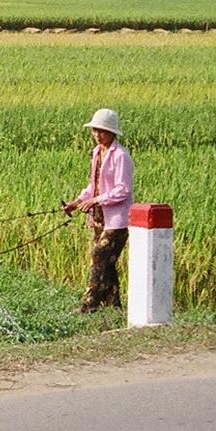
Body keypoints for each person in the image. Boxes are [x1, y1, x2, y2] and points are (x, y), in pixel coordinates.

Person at [62, 108, 135, 314]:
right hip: (100, 218)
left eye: (102, 131)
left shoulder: (121, 156)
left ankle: (89, 304)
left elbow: (122, 190)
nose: (97, 135)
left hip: (118, 220)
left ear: (112, 132)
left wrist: (96, 200)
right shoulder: (96, 153)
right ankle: (114, 306)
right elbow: (93, 185)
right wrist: (77, 202)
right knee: (108, 263)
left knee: (98, 256)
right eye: (95, 130)